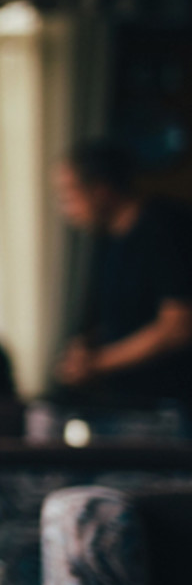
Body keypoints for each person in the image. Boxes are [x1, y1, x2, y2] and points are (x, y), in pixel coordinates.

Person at [53, 140, 192, 415]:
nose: (65, 209)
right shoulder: (111, 241)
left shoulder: (164, 228)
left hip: (173, 408)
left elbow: (179, 327)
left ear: (102, 191)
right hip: (134, 403)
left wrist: (97, 363)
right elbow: (132, 317)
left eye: (69, 195)